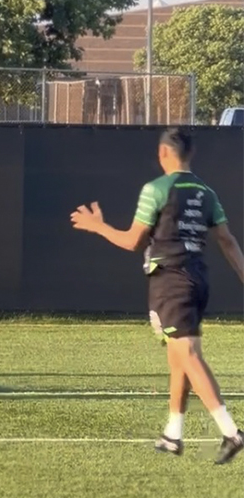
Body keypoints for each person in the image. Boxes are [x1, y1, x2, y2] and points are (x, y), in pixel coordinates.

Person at [70, 128, 244, 465]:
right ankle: (173, 434)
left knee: (188, 355)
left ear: (164, 153)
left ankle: (231, 432)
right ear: (189, 155)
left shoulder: (157, 189)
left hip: (170, 280)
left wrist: (98, 226)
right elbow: (227, 241)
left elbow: (133, 241)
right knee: (179, 358)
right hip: (197, 279)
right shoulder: (205, 192)